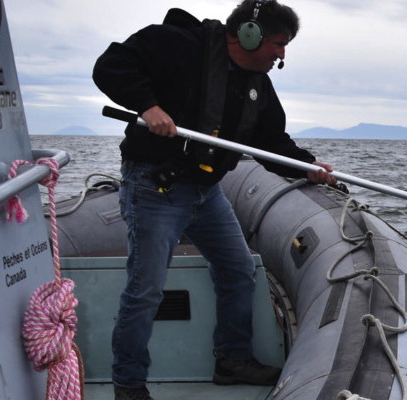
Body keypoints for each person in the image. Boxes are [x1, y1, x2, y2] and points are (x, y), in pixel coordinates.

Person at [92, 1, 335, 399]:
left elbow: (270, 141)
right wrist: (148, 106)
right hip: (155, 188)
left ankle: (232, 359)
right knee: (146, 288)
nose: (282, 54)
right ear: (249, 34)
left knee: (238, 270)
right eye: (278, 43)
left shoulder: (258, 83)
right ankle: (129, 383)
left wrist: (306, 165)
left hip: (206, 192)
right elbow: (110, 66)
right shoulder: (176, 44)